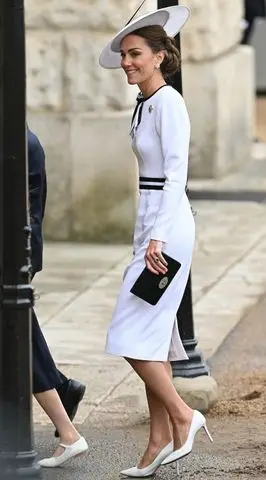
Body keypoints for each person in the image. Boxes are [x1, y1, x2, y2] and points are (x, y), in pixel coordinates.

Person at [99, 5, 213, 478]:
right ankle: (157, 440)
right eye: (124, 54)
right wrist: (146, 234)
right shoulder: (144, 103)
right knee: (151, 338)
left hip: (167, 230)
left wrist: (158, 238)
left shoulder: (169, 103)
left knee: (128, 335)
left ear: (162, 56)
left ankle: (184, 416)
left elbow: (174, 174)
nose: (127, 61)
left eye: (136, 53)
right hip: (150, 228)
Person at [28, 128, 88, 467]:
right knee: (22, 338)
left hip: (13, 254)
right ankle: (63, 392)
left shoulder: (18, 144)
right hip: (18, 251)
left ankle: (68, 432)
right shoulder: (22, 138)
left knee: (21, 340)